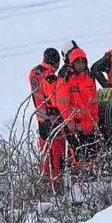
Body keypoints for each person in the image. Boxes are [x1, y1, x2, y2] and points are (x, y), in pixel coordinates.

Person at [28, 47, 65, 184]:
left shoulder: (34, 72)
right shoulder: (50, 77)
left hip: (40, 116)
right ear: (54, 61)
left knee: (44, 148)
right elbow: (54, 99)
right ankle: (56, 180)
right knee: (56, 150)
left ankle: (44, 176)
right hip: (52, 117)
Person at [56, 48, 100, 163]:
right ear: (72, 63)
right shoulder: (65, 79)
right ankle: (77, 180)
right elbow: (63, 106)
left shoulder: (90, 78)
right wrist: (71, 128)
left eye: (83, 62)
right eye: (78, 62)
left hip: (89, 128)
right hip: (75, 129)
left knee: (92, 160)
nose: (81, 65)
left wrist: (95, 122)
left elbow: (94, 103)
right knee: (77, 161)